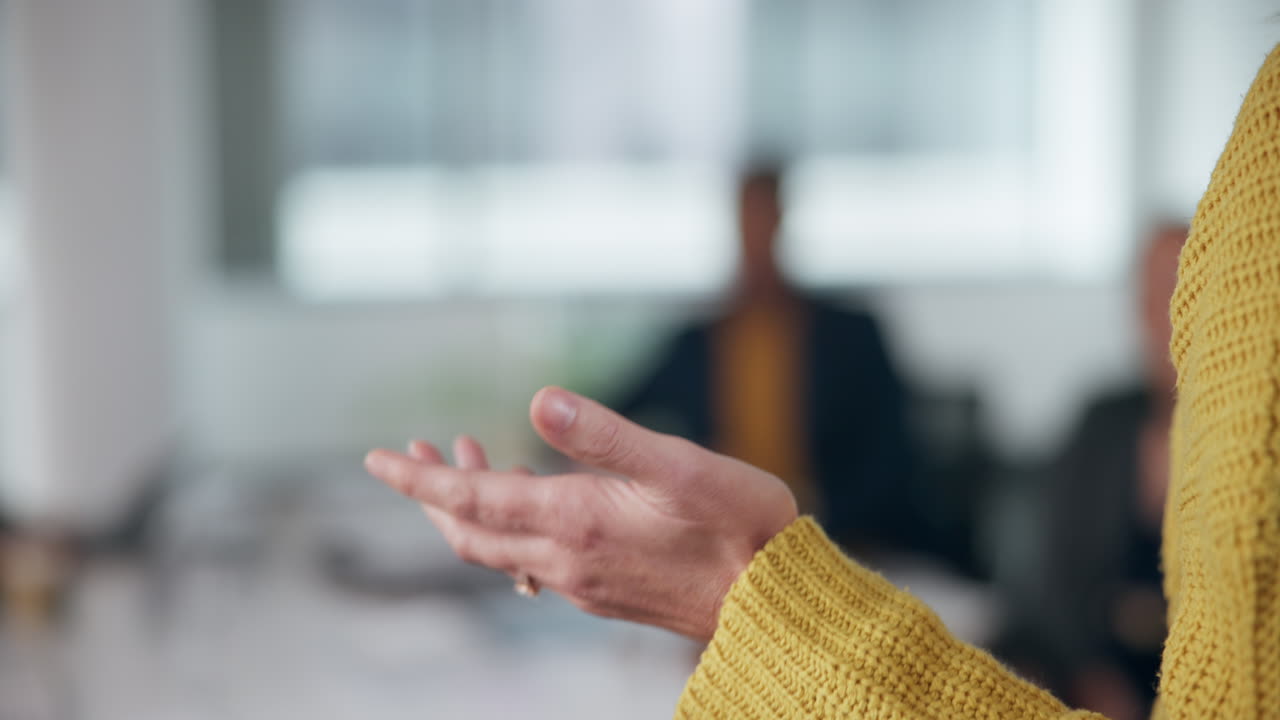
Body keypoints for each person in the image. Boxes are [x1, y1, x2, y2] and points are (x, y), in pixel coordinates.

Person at [365, 45, 1280, 719]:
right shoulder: (700, 334)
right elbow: (614, 406)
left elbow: (902, 472)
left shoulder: (851, 335)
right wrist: (553, 461)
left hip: (839, 543)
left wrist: (774, 565)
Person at [612, 166, 916, 551]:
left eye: (764, 217)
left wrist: (816, 515)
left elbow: (893, 458)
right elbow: (617, 414)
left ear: (781, 221)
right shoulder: (696, 344)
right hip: (723, 537)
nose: (755, 234)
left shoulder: (851, 337)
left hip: (838, 538)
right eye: (747, 218)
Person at [1014, 225, 1187, 719]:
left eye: (1182, 293)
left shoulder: (1249, 437)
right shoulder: (1100, 423)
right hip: (1094, 674)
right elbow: (1051, 581)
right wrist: (1091, 676)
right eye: (1154, 297)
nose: (1169, 318)